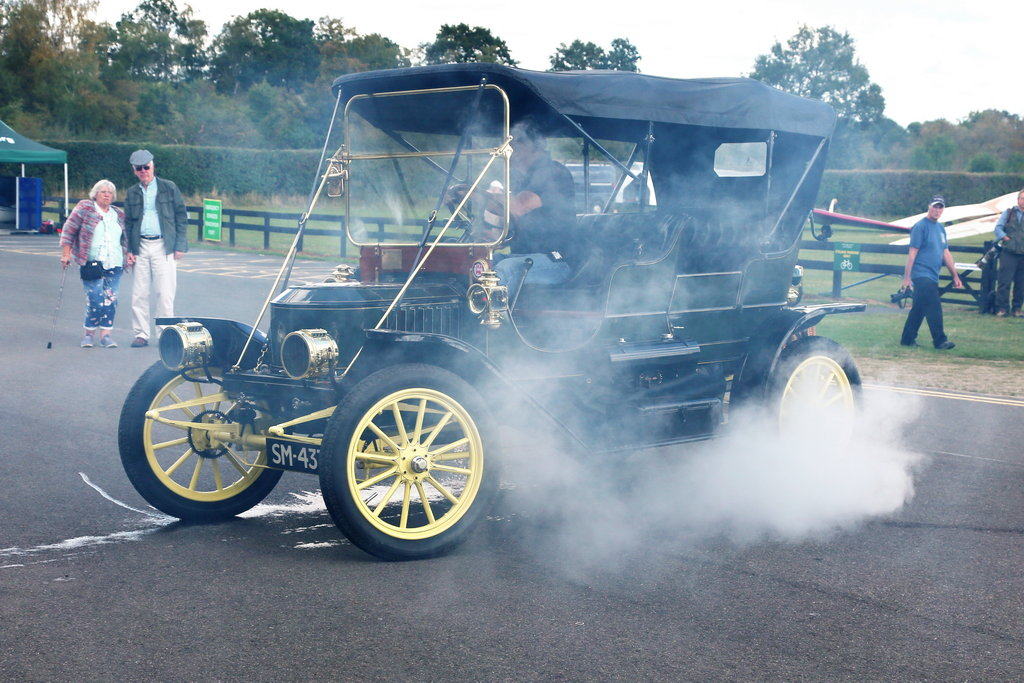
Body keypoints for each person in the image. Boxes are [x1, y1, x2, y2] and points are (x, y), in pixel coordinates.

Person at [489, 123, 576, 300]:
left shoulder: (554, 172)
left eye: (508, 144)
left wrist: (478, 195)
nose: (503, 150)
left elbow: (519, 206)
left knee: (507, 269)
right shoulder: (521, 180)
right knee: (485, 263)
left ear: (525, 146)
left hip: (556, 260)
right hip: (525, 255)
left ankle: (494, 324)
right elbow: (506, 215)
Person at [124, 149, 189, 347]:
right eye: (139, 168)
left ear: (153, 167)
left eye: (147, 167)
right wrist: (129, 250)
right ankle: (141, 333)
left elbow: (181, 216)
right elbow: (127, 223)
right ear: (134, 170)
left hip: (164, 245)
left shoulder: (169, 187)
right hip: (140, 245)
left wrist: (180, 245)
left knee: (165, 292)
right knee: (139, 293)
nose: (143, 171)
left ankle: (165, 333)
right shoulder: (131, 192)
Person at [59, 180, 134, 348]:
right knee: (95, 299)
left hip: (114, 262)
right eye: (103, 191)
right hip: (91, 262)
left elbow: (126, 237)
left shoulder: (118, 214)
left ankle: (106, 335)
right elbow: (69, 230)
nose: (107, 195)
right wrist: (66, 254)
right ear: (95, 193)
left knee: (111, 299)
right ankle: (88, 333)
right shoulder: (85, 208)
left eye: (110, 192)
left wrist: (128, 254)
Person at [900, 195, 963, 350]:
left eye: (940, 207)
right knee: (934, 305)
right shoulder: (920, 227)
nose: (937, 210)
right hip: (921, 274)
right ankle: (940, 340)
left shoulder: (941, 229)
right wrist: (907, 279)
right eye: (935, 206)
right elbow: (912, 254)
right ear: (929, 206)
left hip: (933, 275)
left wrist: (955, 275)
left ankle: (907, 339)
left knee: (919, 308)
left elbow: (946, 253)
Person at [993, 187, 1024, 318]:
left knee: (1021, 284)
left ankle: (1017, 309)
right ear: (1018, 200)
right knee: (1004, 282)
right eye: (1022, 198)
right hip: (1008, 253)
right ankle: (1002, 308)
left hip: (1023, 254)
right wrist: (1004, 237)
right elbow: (998, 228)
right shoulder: (1009, 213)